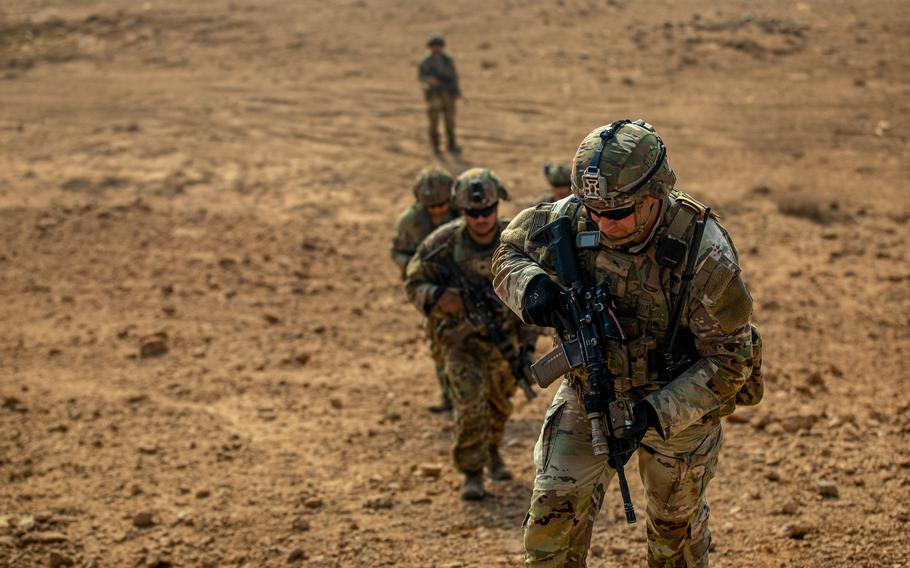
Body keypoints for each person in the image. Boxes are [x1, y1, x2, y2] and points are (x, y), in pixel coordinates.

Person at [492, 119, 762, 566]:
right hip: (592, 391)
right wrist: (531, 287)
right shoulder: (571, 216)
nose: (601, 221)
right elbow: (507, 252)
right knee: (552, 520)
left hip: (677, 400)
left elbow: (732, 361)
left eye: (617, 214)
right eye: (592, 209)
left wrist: (655, 413)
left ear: (654, 195)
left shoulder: (703, 252)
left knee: (674, 531)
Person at [405, 167, 523, 500]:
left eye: (487, 210)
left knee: (499, 405)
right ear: (462, 210)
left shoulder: (514, 238)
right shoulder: (442, 243)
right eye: (473, 212)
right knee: (471, 406)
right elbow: (413, 282)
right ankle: (472, 471)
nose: (481, 218)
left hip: (503, 340)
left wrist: (528, 343)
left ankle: (493, 451)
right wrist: (441, 297)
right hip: (460, 342)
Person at [392, 166, 460, 413]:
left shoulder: (464, 213)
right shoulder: (410, 222)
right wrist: (417, 267)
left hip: (463, 287)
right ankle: (449, 397)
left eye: (442, 204)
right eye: (431, 207)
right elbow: (398, 252)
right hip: (432, 291)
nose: (438, 210)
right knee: (439, 343)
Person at [418, 34, 461, 154]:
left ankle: (452, 145)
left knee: (450, 121)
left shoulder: (447, 60)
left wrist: (456, 92)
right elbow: (421, 77)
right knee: (434, 121)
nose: (436, 48)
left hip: (447, 94)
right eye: (434, 46)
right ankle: (435, 146)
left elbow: (454, 77)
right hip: (434, 95)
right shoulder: (425, 62)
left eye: (438, 46)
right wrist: (430, 80)